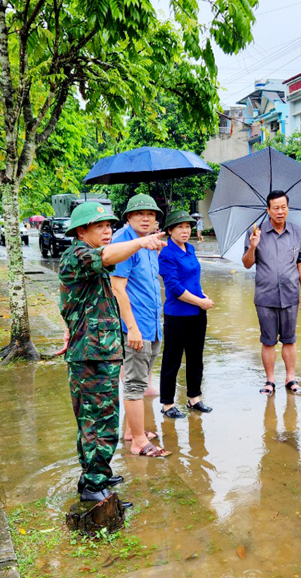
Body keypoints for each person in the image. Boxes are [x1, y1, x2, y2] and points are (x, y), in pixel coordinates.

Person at [58, 200, 166, 503]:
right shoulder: (78, 255)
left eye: (109, 226)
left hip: (100, 352)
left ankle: (97, 474)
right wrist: (141, 241)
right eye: (100, 226)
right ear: (81, 231)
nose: (107, 231)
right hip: (90, 355)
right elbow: (107, 255)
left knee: (103, 417)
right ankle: (94, 488)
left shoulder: (90, 259)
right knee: (96, 420)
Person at [111, 193, 171, 458]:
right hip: (136, 327)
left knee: (141, 380)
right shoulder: (125, 244)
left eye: (151, 214)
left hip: (151, 324)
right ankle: (137, 441)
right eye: (139, 214)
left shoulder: (146, 243)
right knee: (135, 384)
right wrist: (132, 328)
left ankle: (130, 431)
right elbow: (117, 289)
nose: (146, 218)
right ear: (128, 217)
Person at [242, 190, 301, 395]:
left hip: (290, 295)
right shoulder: (255, 232)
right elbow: (246, 264)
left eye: (284, 207)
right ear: (268, 210)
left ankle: (290, 379)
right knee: (268, 340)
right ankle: (270, 381)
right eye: (276, 208)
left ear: (288, 208)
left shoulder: (298, 232)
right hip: (265, 296)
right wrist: (253, 246)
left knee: (289, 339)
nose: (280, 212)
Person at [158, 210, 214, 419]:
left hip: (197, 313)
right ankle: (167, 403)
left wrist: (202, 295)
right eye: (180, 227)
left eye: (188, 226)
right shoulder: (166, 253)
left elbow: (192, 279)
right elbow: (173, 287)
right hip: (177, 315)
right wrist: (200, 301)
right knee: (172, 359)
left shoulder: (190, 249)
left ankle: (194, 398)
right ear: (170, 230)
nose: (185, 230)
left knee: (195, 357)